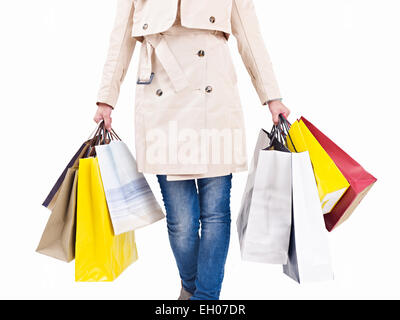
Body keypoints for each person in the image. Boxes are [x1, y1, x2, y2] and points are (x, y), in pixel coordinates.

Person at [93, 0, 290, 300]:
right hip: (161, 101)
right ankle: (192, 287)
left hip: (214, 100)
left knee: (215, 213)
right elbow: (120, 36)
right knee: (181, 220)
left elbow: (250, 33)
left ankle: (205, 298)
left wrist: (271, 96)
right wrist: (106, 99)